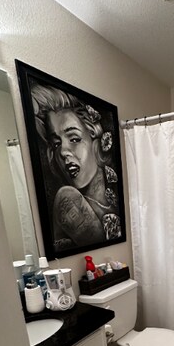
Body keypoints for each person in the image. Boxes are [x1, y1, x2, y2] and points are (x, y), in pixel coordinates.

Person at [31, 84, 121, 251]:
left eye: (74, 139)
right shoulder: (67, 198)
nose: (63, 152)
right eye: (56, 144)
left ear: (94, 138)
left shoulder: (113, 199)